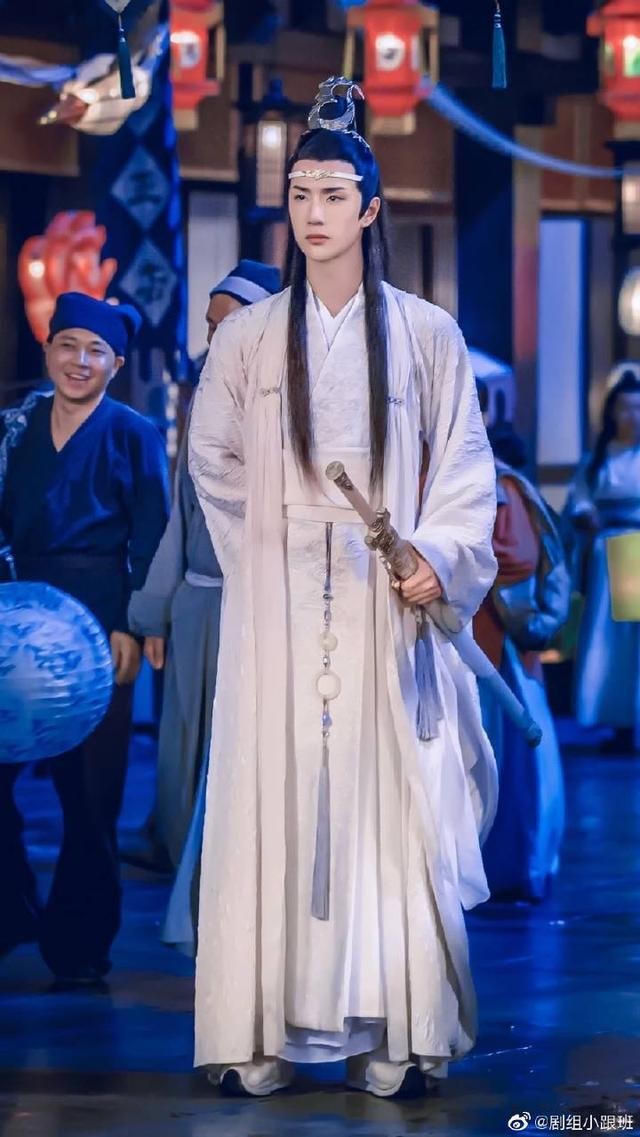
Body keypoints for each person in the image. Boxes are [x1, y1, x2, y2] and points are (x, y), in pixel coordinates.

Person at [189, 78, 498, 1099]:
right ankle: (260, 1031)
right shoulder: (246, 338)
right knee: (270, 794)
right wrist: (265, 549)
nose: (313, 212)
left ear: (369, 210)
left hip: (380, 598)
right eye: (300, 194)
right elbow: (212, 459)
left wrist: (437, 554)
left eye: (333, 195)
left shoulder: (426, 334)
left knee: (383, 803)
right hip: (277, 599)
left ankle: (397, 1030)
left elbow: (465, 468)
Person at [0, 291, 169, 986]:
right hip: (17, 618)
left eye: (96, 351)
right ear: (46, 351)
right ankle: (11, 910)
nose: (80, 360)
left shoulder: (133, 432)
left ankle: (79, 944)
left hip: (101, 624)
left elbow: (152, 532)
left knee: (91, 798)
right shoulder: (15, 428)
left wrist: (136, 622)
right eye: (67, 345)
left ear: (116, 364)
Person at [127, 260, 281, 952]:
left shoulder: (288, 404)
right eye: (211, 325)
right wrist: (157, 609)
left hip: (260, 606)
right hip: (197, 601)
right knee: (184, 755)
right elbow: (181, 517)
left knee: (242, 759)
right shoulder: (205, 406)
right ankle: (195, 903)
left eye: (229, 323)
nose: (215, 337)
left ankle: (238, 915)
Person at [474, 381, 565, 902]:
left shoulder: (501, 483)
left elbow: (518, 558)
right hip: (455, 638)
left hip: (493, 643)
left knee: (507, 757)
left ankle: (506, 866)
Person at [567, 370, 640, 753]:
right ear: (612, 412)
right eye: (625, 408)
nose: (632, 416)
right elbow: (579, 499)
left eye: (638, 408)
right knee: (611, 641)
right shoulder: (597, 460)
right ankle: (619, 720)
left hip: (635, 549)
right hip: (611, 552)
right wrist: (586, 514)